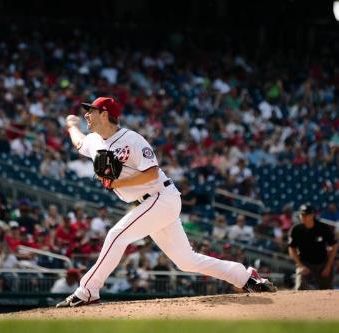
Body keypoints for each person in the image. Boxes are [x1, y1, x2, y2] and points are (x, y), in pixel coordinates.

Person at [57, 97, 276, 308]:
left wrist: (114, 184)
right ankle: (246, 278)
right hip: (149, 205)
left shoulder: (131, 139)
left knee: (117, 235)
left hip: (161, 197)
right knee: (186, 261)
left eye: (91, 111)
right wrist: (70, 125)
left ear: (104, 114)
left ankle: (87, 291)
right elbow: (79, 142)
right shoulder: (94, 140)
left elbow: (152, 173)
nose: (86, 114)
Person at [288, 203, 338, 290]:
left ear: (312, 215)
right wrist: (300, 265)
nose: (303, 217)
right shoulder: (296, 229)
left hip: (322, 264)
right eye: (301, 214)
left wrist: (328, 266)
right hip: (305, 264)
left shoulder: (323, 228)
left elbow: (334, 245)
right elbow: (291, 248)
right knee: (300, 287)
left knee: (327, 289)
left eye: (306, 214)